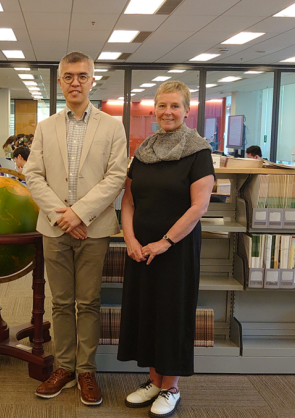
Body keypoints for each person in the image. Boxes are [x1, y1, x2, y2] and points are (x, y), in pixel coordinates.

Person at [24, 51, 127, 407]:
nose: (75, 82)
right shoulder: (46, 126)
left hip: (94, 230)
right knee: (62, 303)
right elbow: (32, 174)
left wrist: (80, 214)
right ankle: (64, 367)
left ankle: (86, 370)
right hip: (54, 229)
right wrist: (61, 215)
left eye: (82, 76)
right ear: (59, 81)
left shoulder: (113, 126)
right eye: (68, 76)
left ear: (92, 80)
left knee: (89, 302)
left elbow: (116, 177)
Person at [117, 80, 215, 418]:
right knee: (147, 312)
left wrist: (165, 242)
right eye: (162, 106)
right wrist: (130, 239)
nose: (168, 112)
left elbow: (198, 207)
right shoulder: (143, 150)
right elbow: (129, 199)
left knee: (172, 315)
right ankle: (154, 381)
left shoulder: (198, 151)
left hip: (176, 249)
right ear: (154, 109)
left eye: (175, 106)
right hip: (141, 249)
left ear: (187, 110)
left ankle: (171, 387)